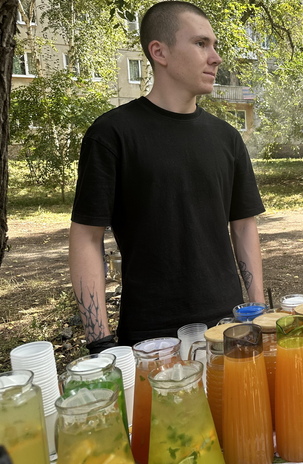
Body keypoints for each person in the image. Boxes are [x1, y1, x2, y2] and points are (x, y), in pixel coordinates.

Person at [69, 1, 265, 350]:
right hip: (150, 338)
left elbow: (244, 225)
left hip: (229, 327)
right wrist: (99, 341)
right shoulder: (112, 134)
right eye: (201, 44)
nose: (216, 57)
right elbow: (86, 236)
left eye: (215, 46)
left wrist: (258, 312)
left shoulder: (226, 138)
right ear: (159, 52)